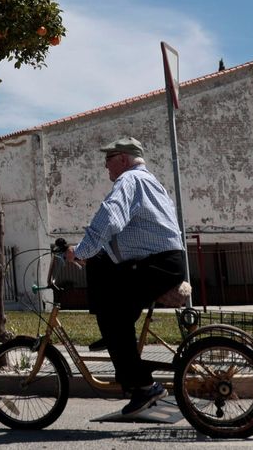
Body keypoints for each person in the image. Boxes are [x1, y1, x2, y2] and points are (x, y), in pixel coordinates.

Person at [64, 136, 186, 416]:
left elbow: (109, 218)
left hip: (158, 264)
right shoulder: (150, 181)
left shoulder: (128, 181)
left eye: (108, 159)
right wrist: (93, 254)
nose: (105, 165)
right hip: (165, 261)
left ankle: (143, 386)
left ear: (123, 159)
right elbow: (123, 233)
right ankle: (116, 340)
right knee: (101, 269)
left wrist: (80, 251)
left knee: (113, 316)